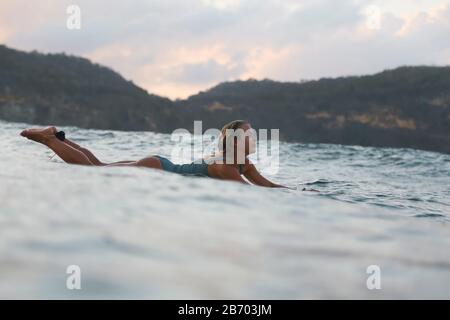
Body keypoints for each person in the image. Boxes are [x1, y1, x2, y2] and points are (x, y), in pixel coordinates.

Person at [20, 120, 289, 188]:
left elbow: (266, 185)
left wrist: (293, 191)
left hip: (158, 164)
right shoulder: (227, 165)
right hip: (156, 168)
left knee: (99, 165)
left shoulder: (242, 162)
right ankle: (49, 139)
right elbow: (248, 190)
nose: (254, 137)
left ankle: (53, 137)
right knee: (93, 169)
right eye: (248, 134)